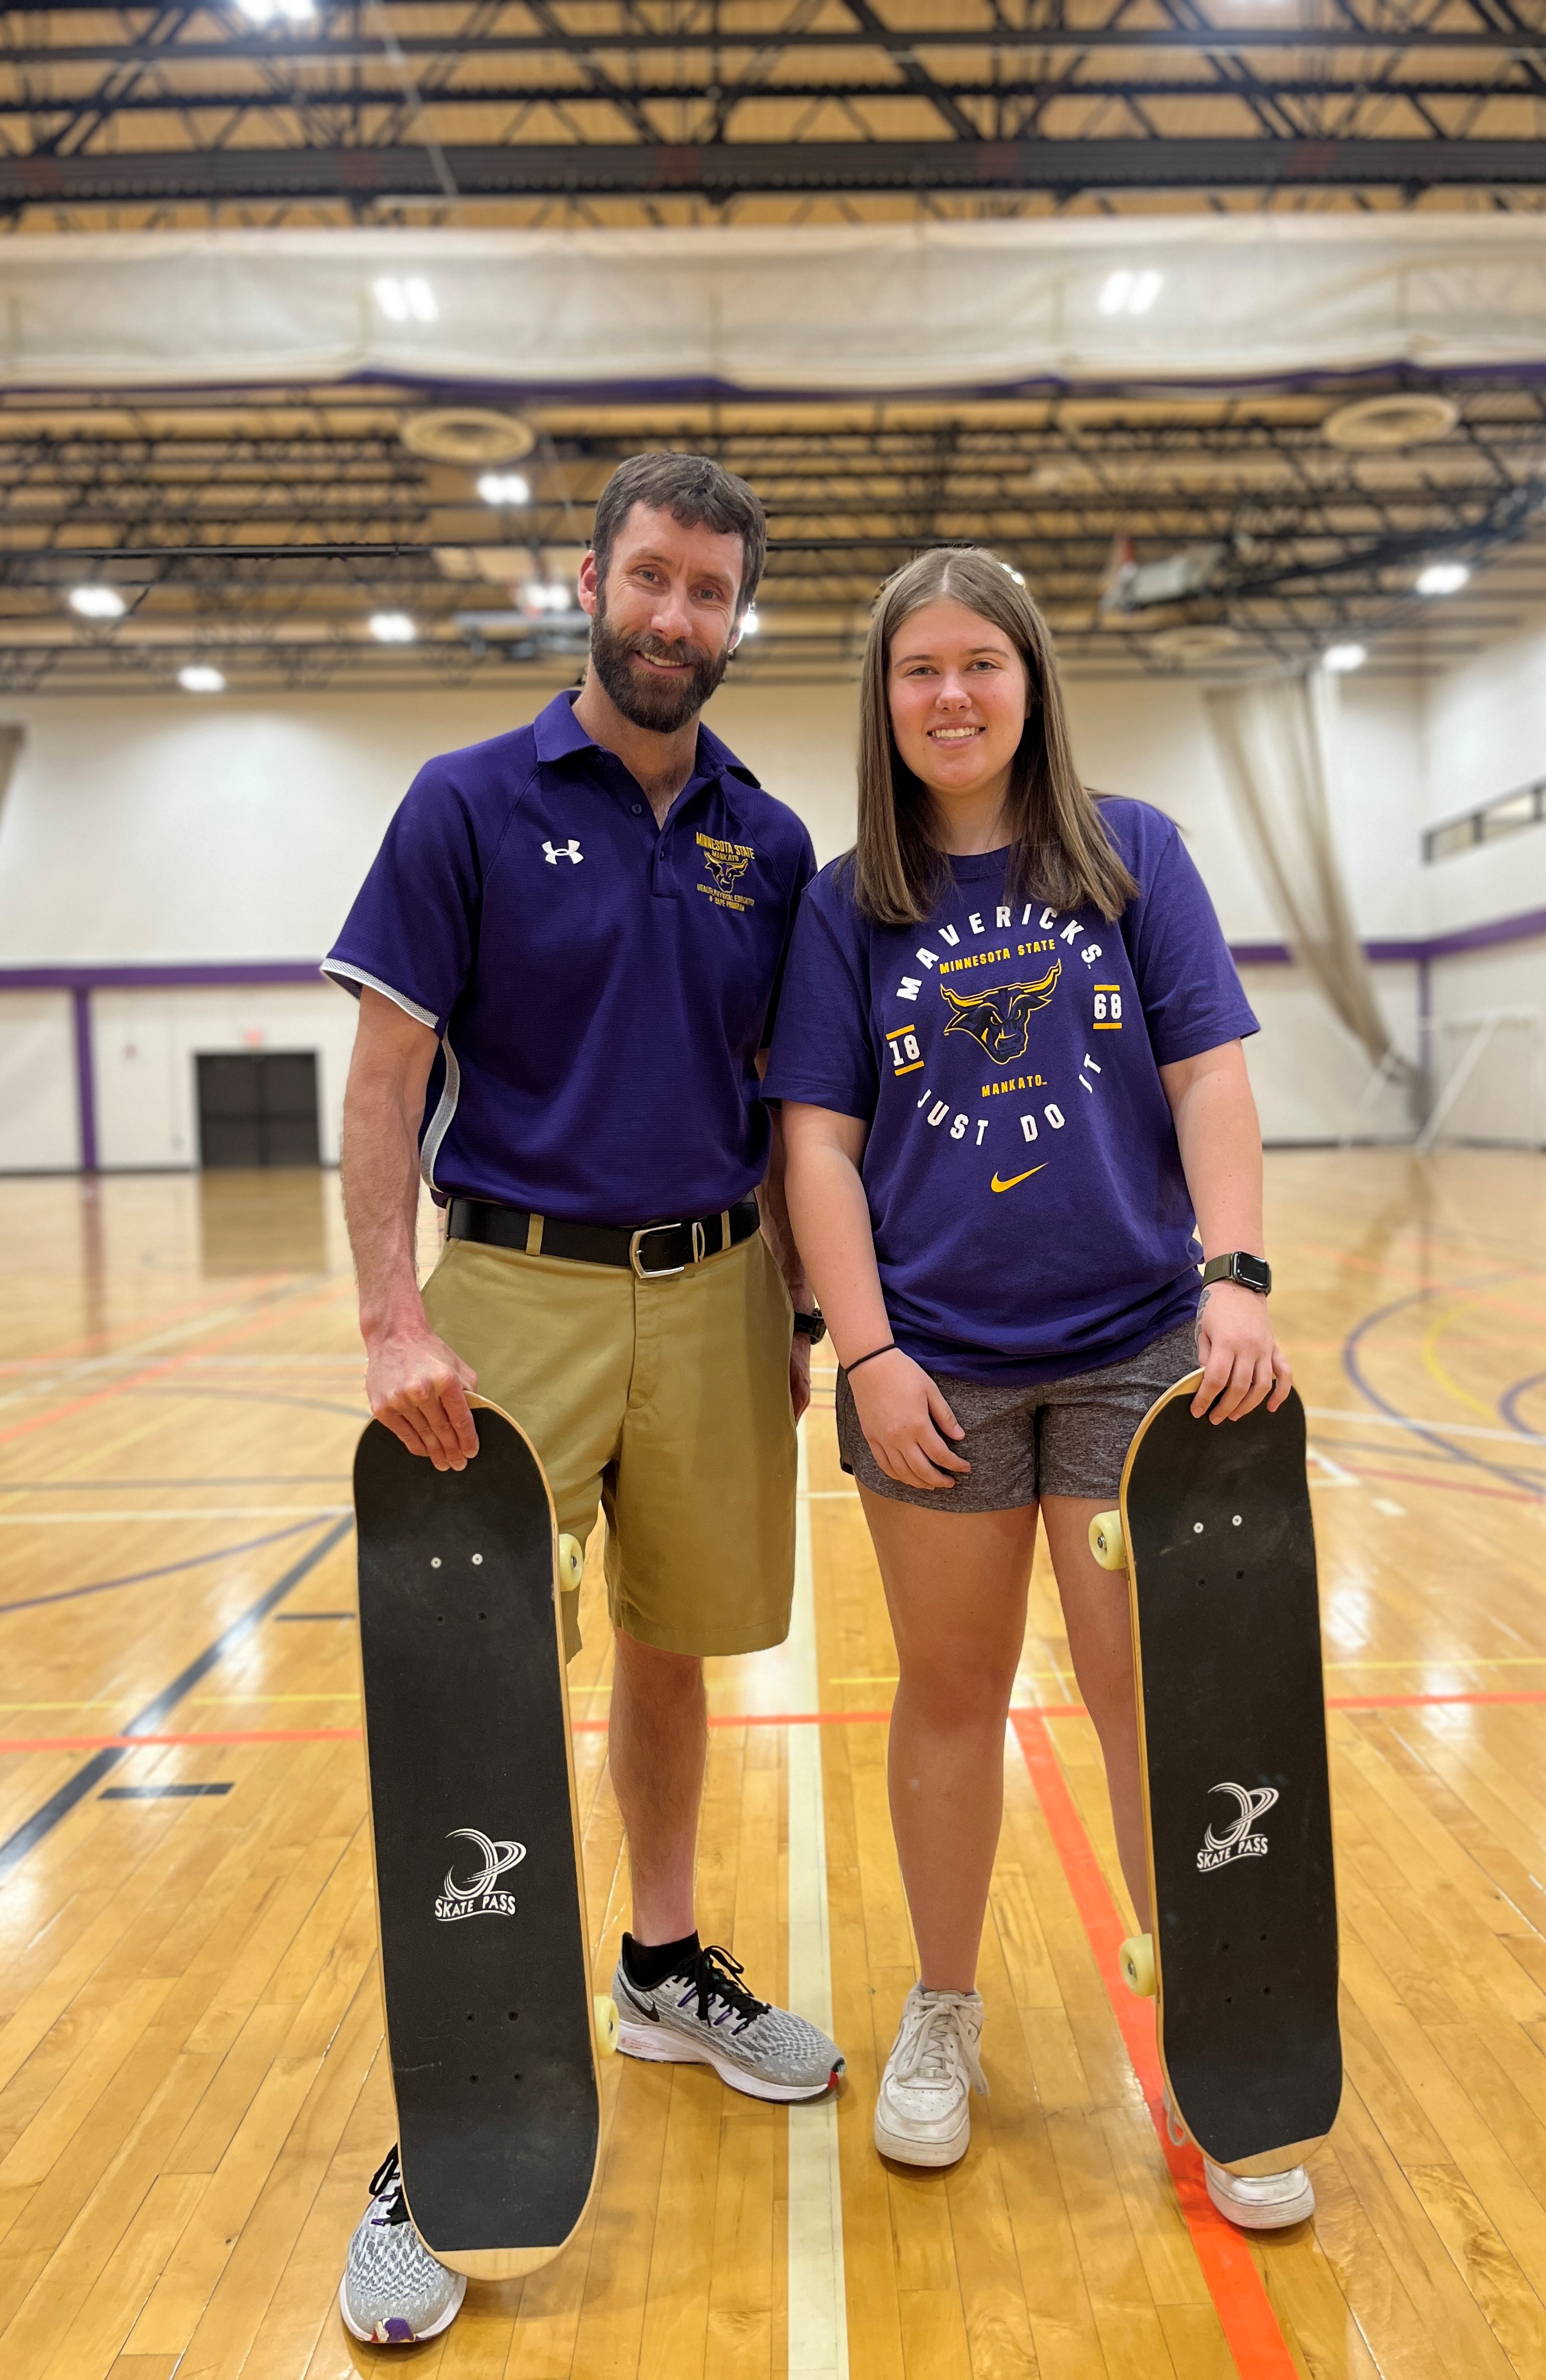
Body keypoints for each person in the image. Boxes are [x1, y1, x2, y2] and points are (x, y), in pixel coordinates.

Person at [325, 453, 845, 2347]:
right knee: (479, 1688)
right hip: (513, 1288)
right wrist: (393, 1321)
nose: (676, 618)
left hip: (715, 1293)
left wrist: (794, 1312)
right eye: (652, 579)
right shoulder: (463, 802)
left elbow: (800, 1106)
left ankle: (656, 1966)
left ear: (736, 616)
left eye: (712, 593)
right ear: (591, 577)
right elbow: (387, 1083)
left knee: (678, 1646)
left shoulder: (768, 844)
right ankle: (441, 2123)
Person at [764, 547, 1305, 2229]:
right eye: (919, 668)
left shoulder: (1132, 854)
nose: (951, 695)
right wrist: (866, 1351)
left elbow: (1208, 1072)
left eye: (979, 664)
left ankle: (1214, 2049)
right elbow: (817, 1145)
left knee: (1147, 1692)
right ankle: (945, 2012)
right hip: (936, 1368)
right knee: (949, 1690)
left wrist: (1233, 1279)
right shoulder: (848, 902)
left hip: (1139, 1349)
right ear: (887, 696)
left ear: (1030, 679)